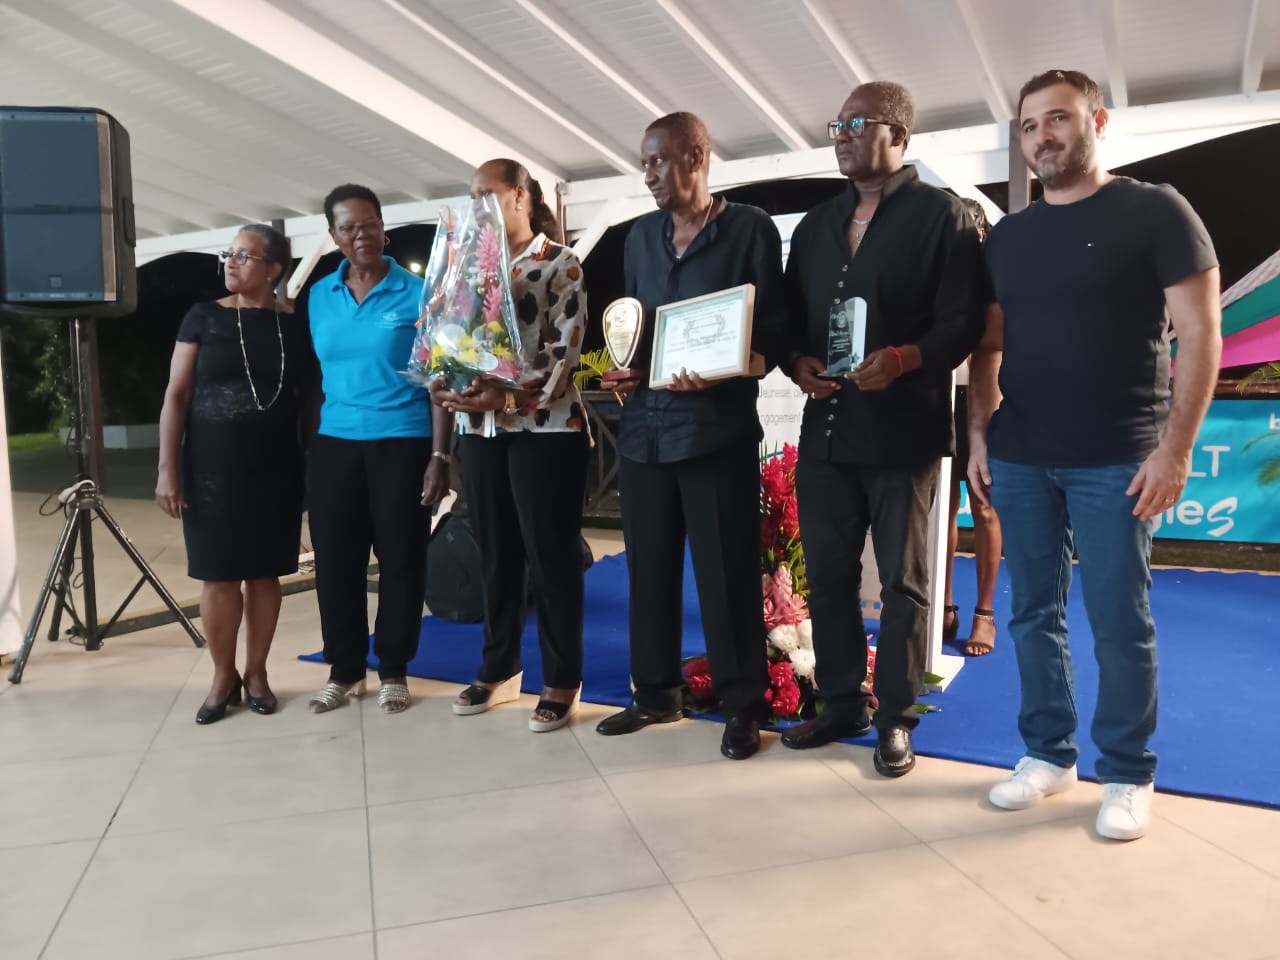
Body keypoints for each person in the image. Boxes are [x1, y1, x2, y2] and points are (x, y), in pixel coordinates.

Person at [969, 70, 1220, 840]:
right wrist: (979, 432)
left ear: (1096, 122)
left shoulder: (1156, 211)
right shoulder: (1007, 237)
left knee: (1118, 618)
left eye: (1058, 118)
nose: (1042, 136)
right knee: (1031, 614)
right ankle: (1048, 753)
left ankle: (1128, 770)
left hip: (1119, 457)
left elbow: (1201, 335)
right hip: (1021, 455)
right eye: (1029, 125)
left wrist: (1175, 450)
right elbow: (987, 347)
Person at [781, 82, 985, 777]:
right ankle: (842, 704)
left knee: (903, 585)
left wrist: (903, 360)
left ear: (897, 134)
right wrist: (796, 361)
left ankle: (896, 717)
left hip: (903, 432)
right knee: (828, 580)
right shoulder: (816, 225)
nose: (841, 135)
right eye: (836, 124)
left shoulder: (942, 216)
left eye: (856, 123)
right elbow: (787, 318)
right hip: (827, 430)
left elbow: (963, 322)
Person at [594, 112, 788, 761]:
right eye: (644, 163)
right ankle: (655, 694)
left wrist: (726, 366)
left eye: (658, 160)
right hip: (645, 433)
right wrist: (628, 370)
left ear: (697, 157)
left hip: (716, 431)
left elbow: (773, 329)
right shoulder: (639, 238)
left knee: (726, 576)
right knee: (647, 572)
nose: (648, 175)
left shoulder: (750, 228)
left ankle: (743, 706)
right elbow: (641, 332)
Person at [432, 158, 589, 732]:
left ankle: (562, 679)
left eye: (487, 194)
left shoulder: (560, 263)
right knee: (495, 553)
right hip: (481, 433)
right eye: (471, 196)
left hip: (545, 431)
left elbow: (563, 355)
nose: (477, 206)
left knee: (550, 557)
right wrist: (443, 377)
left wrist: (505, 397)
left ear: (521, 195)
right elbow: (453, 341)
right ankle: (499, 668)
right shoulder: (469, 269)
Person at [305, 184, 452, 714]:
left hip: (403, 442)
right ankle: (344, 670)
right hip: (336, 444)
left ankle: (393, 668)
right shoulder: (319, 295)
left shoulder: (419, 292)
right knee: (336, 562)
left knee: (401, 559)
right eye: (349, 227)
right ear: (334, 236)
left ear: (383, 227)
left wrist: (440, 456)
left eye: (369, 223)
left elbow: (439, 379)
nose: (361, 234)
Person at [156, 224, 310, 724]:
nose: (231, 262)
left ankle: (257, 672)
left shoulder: (293, 324)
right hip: (210, 471)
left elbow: (309, 398)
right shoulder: (203, 317)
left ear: (274, 269)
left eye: (245, 256)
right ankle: (223, 675)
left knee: (265, 574)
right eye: (229, 254)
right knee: (219, 575)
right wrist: (167, 468)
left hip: (276, 467)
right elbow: (176, 395)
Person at [942, 198, 1003, 656]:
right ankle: (944, 605)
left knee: (984, 506)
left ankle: (984, 613)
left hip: (984, 401)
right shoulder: (934, 276)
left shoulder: (995, 279)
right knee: (942, 508)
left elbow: (992, 351)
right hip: (937, 400)